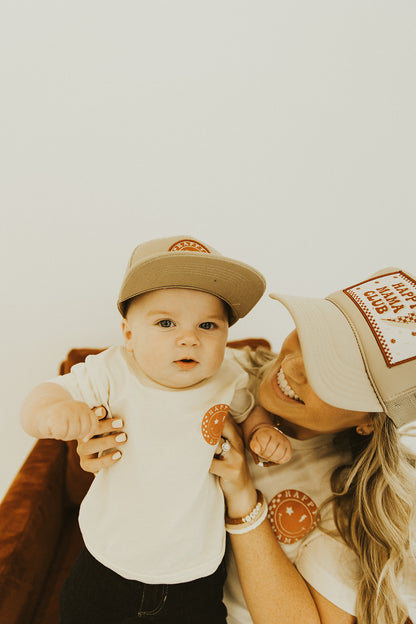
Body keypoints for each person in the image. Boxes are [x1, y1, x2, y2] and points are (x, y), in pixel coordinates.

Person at [79, 266, 416, 624]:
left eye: (332, 373)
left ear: (369, 422)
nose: (293, 365)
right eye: (311, 337)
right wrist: (103, 441)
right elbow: (119, 388)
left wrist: (244, 502)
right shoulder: (216, 369)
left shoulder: (359, 505)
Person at [20, 235, 292, 624]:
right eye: (166, 322)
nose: (189, 337)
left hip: (195, 572)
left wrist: (262, 432)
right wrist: (53, 411)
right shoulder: (112, 372)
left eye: (208, 325)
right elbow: (42, 396)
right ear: (129, 335)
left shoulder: (230, 375)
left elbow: (252, 412)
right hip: (106, 562)